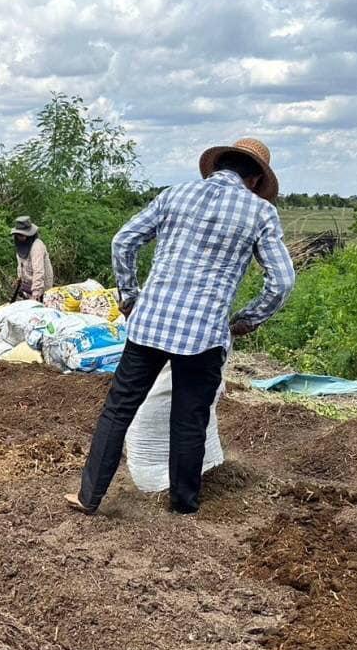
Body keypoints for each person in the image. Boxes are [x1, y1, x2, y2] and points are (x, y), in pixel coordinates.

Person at [66, 137, 295, 517]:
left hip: (150, 324)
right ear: (255, 180)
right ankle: (183, 505)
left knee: (118, 409)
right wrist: (249, 319)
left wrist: (129, 296)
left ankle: (89, 497)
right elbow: (283, 281)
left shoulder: (175, 195)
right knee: (190, 418)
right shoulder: (259, 213)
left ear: (218, 166)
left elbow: (124, 241)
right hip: (203, 334)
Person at [12, 216, 54, 302]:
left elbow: (38, 271)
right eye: (18, 235)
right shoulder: (20, 245)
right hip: (27, 285)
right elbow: (21, 265)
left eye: (22, 235)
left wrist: (36, 293)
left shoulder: (37, 247)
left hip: (41, 287)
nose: (20, 237)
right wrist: (19, 278)